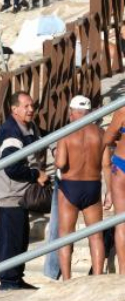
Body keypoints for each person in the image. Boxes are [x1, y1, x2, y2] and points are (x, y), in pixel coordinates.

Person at [0, 92, 48, 290]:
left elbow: (44, 137)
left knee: (20, 239)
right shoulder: (11, 132)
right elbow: (12, 167)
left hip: (21, 194)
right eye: (26, 106)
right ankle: (7, 282)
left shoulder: (29, 127)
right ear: (14, 109)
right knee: (10, 240)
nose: (31, 109)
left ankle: (16, 278)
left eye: (32, 105)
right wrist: (36, 175)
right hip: (10, 194)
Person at [53, 96, 106, 280]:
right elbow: (106, 165)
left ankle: (67, 280)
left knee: (65, 237)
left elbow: (60, 163)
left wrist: (54, 154)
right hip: (93, 186)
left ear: (72, 112)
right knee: (96, 236)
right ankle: (98, 278)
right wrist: (107, 193)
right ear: (89, 112)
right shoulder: (100, 133)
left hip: (70, 187)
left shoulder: (66, 133)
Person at [104, 99, 125, 271]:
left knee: (121, 223)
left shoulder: (123, 111)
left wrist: (119, 141)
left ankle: (123, 271)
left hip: (122, 164)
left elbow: (107, 138)